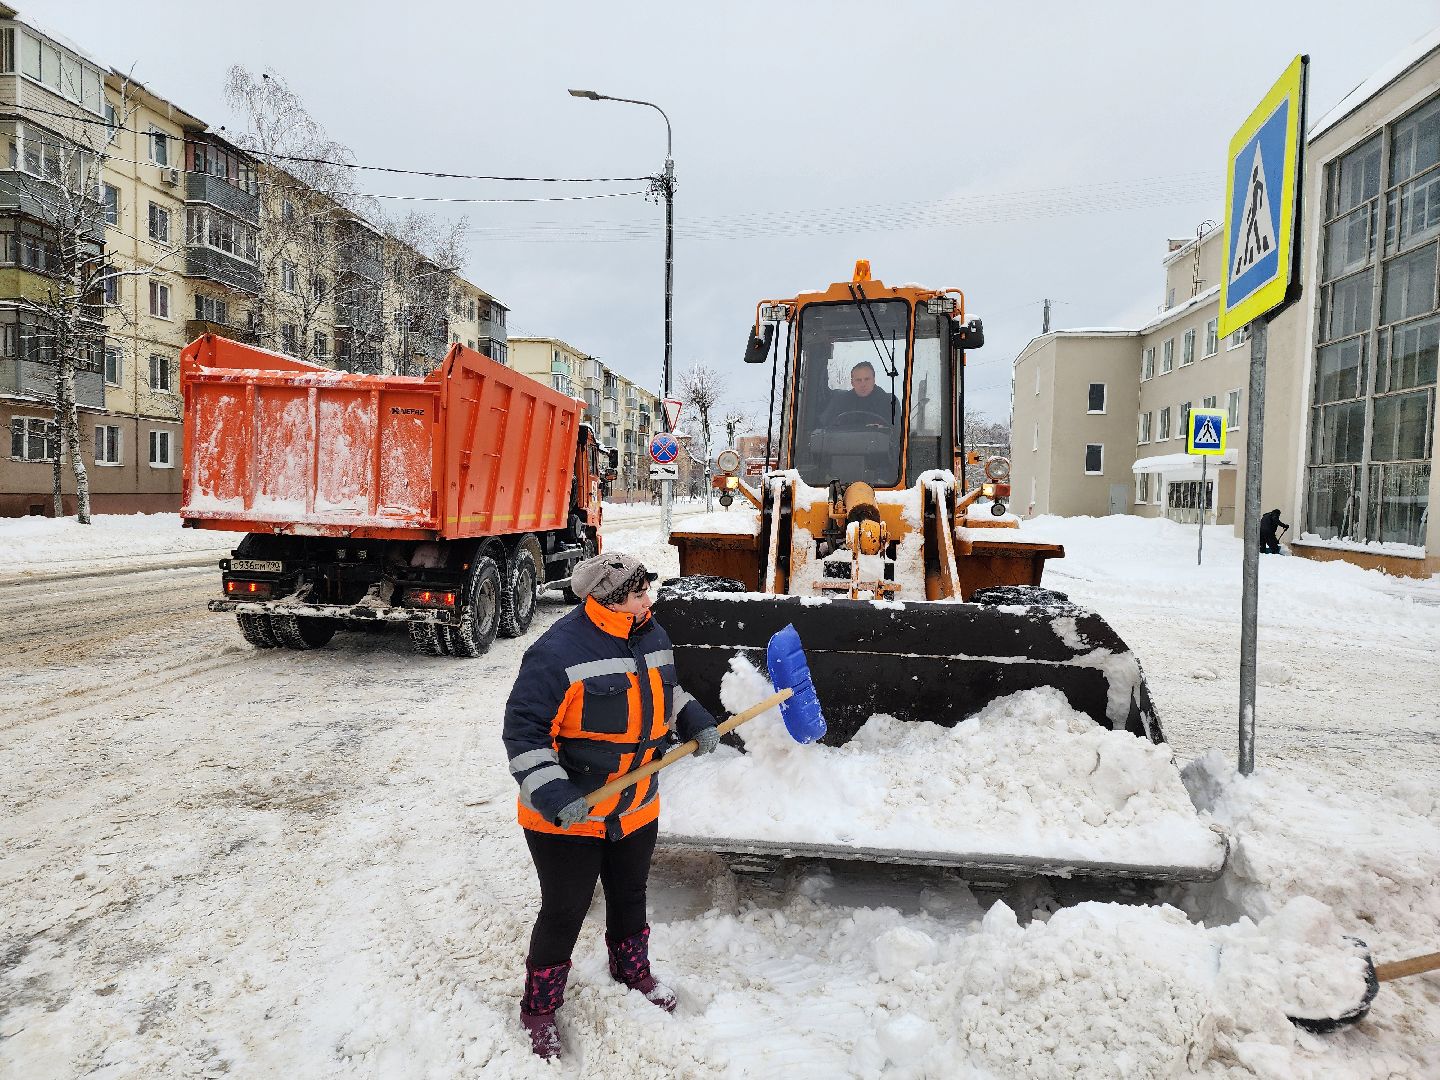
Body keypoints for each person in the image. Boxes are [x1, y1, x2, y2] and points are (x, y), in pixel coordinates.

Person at [502, 552, 720, 1060]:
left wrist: (694, 719)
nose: (649, 599)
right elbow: (525, 733)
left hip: (636, 804)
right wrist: (556, 795)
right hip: (570, 813)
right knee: (565, 909)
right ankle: (539, 1008)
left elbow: (666, 692)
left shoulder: (652, 634)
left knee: (629, 894)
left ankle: (631, 971)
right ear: (609, 598)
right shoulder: (557, 652)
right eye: (639, 593)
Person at [818, 360, 897, 429]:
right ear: (852, 383)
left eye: (867, 379)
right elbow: (826, 428)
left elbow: (895, 434)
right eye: (858, 380)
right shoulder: (841, 402)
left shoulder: (888, 402)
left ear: (874, 380)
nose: (863, 384)